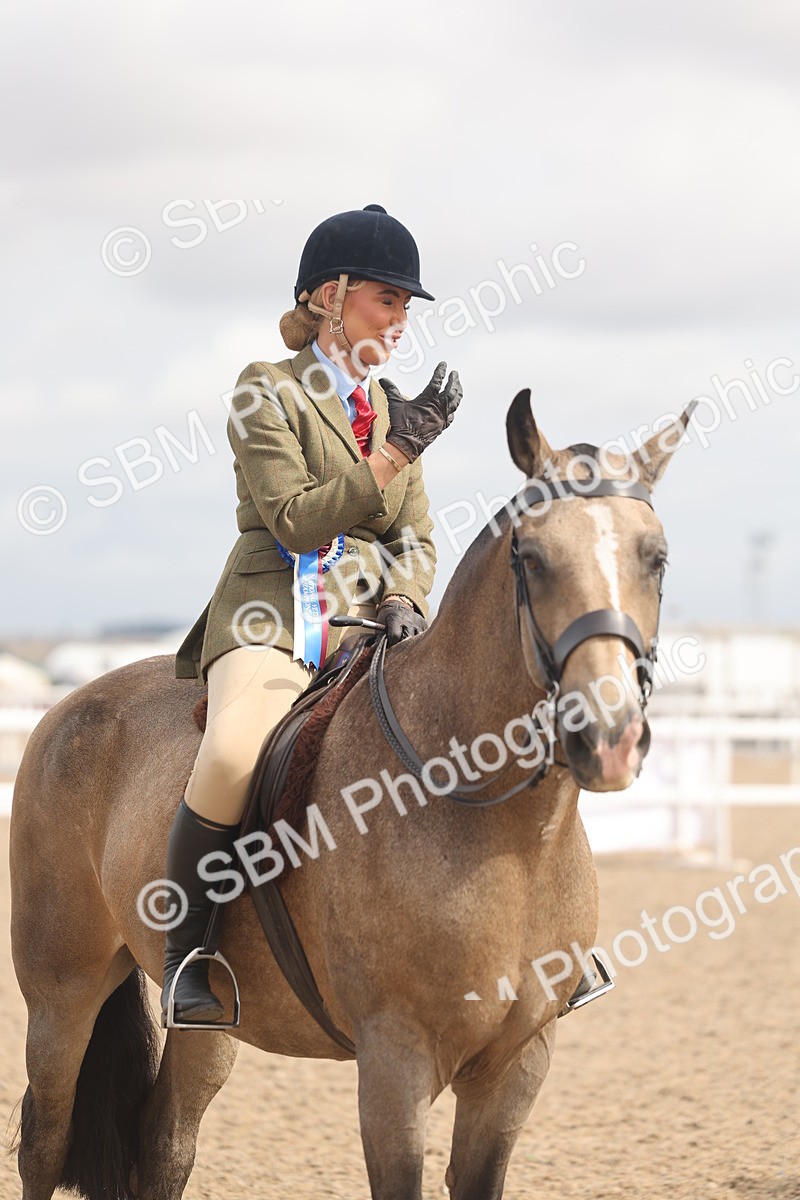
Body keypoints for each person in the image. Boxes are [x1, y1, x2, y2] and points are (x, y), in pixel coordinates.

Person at [164, 203, 462, 1026]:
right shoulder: (267, 391)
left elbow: (418, 535)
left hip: (376, 622)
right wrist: (396, 452)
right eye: (386, 300)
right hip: (271, 614)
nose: (400, 321)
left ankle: (530, 942)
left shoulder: (393, 403)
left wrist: (405, 596)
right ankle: (186, 953)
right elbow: (295, 518)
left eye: (406, 307)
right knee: (230, 751)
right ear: (330, 297)